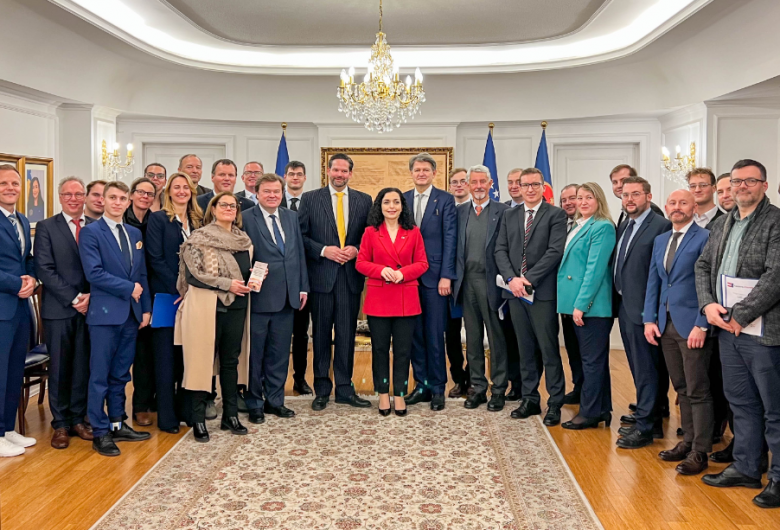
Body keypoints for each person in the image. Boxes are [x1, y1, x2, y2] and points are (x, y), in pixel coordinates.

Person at [696, 159, 780, 508]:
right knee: (741, 401)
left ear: (764, 185)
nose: (742, 187)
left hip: (763, 331)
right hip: (727, 330)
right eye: (736, 181)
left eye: (750, 181)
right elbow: (703, 265)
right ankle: (746, 466)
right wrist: (707, 305)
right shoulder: (723, 222)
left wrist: (740, 315)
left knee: (774, 408)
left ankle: (778, 479)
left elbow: (776, 275)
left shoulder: (776, 222)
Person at [79, 181, 152, 457]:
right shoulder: (91, 232)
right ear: (104, 200)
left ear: (128, 201)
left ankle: (117, 423)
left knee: (121, 374)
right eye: (113, 197)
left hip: (131, 315)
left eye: (122, 198)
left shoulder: (134, 232)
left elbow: (141, 274)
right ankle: (100, 432)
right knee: (99, 375)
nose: (117, 202)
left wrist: (145, 308)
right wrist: (128, 288)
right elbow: (94, 273)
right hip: (104, 316)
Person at [644, 189, 713, 475]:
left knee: (698, 389)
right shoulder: (661, 240)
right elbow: (655, 281)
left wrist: (702, 323)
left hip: (693, 325)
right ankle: (687, 442)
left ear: (694, 207)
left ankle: (700, 450)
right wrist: (649, 319)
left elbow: (709, 283)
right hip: (665, 324)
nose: (677, 207)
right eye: (672, 203)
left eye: (683, 203)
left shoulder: (705, 237)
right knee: (681, 387)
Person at [176, 192, 252, 442]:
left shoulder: (243, 240)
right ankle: (198, 419)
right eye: (224, 205)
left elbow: (244, 271)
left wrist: (256, 276)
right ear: (213, 209)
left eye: (233, 205)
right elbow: (194, 275)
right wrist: (227, 284)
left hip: (237, 307)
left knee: (230, 362)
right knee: (201, 362)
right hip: (206, 306)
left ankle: (230, 416)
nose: (229, 208)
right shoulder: (199, 238)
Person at [298, 153, 372, 411]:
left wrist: (357, 249)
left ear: (350, 173)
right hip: (321, 277)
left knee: (346, 335)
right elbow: (300, 236)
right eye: (336, 170)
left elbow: (370, 235)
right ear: (328, 171)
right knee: (320, 335)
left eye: (344, 171)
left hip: (349, 278)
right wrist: (323, 250)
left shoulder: (364, 200)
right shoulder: (310, 199)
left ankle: (344, 388)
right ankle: (321, 389)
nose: (340, 174)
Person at [495, 168, 568, 425]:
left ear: (543, 186)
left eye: (535, 184)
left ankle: (555, 402)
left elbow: (554, 251)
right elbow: (500, 249)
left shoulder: (556, 214)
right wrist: (512, 279)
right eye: (524, 185)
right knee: (525, 348)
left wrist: (528, 279)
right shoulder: (509, 214)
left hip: (542, 293)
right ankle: (530, 399)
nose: (529, 189)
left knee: (548, 350)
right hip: (515, 293)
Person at [242, 174, 309, 423]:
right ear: (257, 193)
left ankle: (275, 401)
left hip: (288, 296)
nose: (272, 196)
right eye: (267, 191)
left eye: (276, 192)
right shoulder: (245, 218)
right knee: (255, 354)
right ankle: (254, 403)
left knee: (279, 353)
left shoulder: (290, 217)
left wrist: (303, 287)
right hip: (259, 297)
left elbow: (298, 253)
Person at [33, 176, 94, 449]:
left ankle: (78, 419)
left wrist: (90, 297)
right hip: (59, 310)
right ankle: (60, 424)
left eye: (78, 194)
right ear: (60, 198)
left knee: (82, 366)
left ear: (85, 197)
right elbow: (44, 269)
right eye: (68, 194)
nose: (73, 198)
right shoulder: (46, 227)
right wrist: (74, 298)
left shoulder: (94, 226)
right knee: (59, 368)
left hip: (91, 309)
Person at [357, 188, 428, 416]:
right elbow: (361, 263)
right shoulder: (370, 232)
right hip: (379, 299)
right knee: (379, 349)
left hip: (406, 298)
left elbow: (422, 263)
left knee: (403, 351)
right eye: (386, 202)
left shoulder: (414, 232)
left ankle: (399, 394)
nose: (391, 206)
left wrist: (403, 273)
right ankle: (382, 394)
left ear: (402, 206)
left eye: (396, 202)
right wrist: (381, 270)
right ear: (380, 206)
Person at [613, 176, 672, 449]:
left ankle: (646, 427)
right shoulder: (626, 223)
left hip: (645, 309)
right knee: (638, 368)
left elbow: (659, 273)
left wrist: (651, 313)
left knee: (648, 369)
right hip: (625, 305)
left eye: (635, 194)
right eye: (625, 195)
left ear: (648, 196)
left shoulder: (660, 225)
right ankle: (649, 419)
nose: (629, 199)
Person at [146, 173, 203, 433]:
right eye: (176, 187)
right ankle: (167, 418)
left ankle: (187, 412)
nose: (181, 191)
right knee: (166, 359)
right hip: (168, 296)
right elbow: (155, 259)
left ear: (192, 191)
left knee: (188, 358)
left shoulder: (198, 220)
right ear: (168, 192)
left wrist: (195, 288)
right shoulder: (158, 219)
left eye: (185, 187)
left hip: (195, 297)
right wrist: (180, 288)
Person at [558, 182, 616, 430]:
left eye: (588, 197)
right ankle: (601, 408)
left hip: (591, 306)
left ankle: (590, 413)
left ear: (598, 200)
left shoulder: (602, 226)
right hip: (573, 303)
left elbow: (594, 269)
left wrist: (581, 305)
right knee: (590, 361)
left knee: (592, 362)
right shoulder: (578, 225)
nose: (582, 202)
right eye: (579, 197)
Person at [452, 165, 510, 411]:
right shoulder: (459, 212)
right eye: (473, 182)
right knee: (473, 339)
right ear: (467, 185)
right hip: (466, 283)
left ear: (490, 184)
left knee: (496, 339)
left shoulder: (504, 212)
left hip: (492, 283)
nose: (478, 186)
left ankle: (498, 389)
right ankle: (477, 387)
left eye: (482, 182)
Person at [403, 153, 456, 411]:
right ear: (411, 173)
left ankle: (437, 389)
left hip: (436, 279)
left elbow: (450, 239)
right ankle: (421, 386)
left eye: (426, 169)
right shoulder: (402, 199)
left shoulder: (445, 200)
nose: (421, 173)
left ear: (434, 173)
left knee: (434, 335)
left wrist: (447, 275)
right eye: (417, 170)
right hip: (407, 279)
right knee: (415, 336)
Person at [0, 165, 37, 457]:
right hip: (3, 306)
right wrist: (17, 284)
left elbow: (28, 259)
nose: (10, 188)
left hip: (20, 308)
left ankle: (7, 428)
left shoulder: (22, 220)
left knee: (14, 371)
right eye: (3, 183)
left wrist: (32, 279)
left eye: (15, 183)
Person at [123, 177, 157, 427]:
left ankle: (143, 404)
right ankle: (115, 411)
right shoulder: (122, 221)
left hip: (151, 290)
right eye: (141, 192)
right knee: (127, 355)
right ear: (132, 195)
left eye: (150, 194)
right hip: (124, 292)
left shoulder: (156, 221)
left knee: (147, 353)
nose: (145, 197)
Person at [282, 161, 313, 395]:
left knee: (301, 333)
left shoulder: (311, 203)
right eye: (291, 174)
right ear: (285, 176)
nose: (295, 177)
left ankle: (300, 378)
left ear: (304, 178)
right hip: (279, 280)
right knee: (279, 333)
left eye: (299, 174)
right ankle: (274, 380)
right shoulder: (274, 201)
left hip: (305, 277)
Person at [500, 168, 525, 401]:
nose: (514, 186)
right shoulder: (503, 210)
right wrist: (509, 278)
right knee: (509, 338)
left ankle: (529, 387)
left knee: (528, 341)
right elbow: (500, 249)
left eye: (519, 182)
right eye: (510, 182)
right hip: (506, 288)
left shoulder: (545, 212)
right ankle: (514, 384)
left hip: (532, 287)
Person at [446, 167, 471, 398]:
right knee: (452, 335)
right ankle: (458, 379)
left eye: (464, 181)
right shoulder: (446, 209)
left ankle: (472, 377)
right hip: (450, 283)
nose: (459, 185)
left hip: (472, 282)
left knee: (474, 332)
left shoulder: (479, 210)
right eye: (455, 182)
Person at [559, 183, 584, 404]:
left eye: (572, 198)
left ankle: (589, 394)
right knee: (572, 347)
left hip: (584, 300)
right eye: (564, 200)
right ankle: (578, 387)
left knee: (587, 351)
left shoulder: (594, 225)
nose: (568, 203)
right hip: (565, 298)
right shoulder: (561, 224)